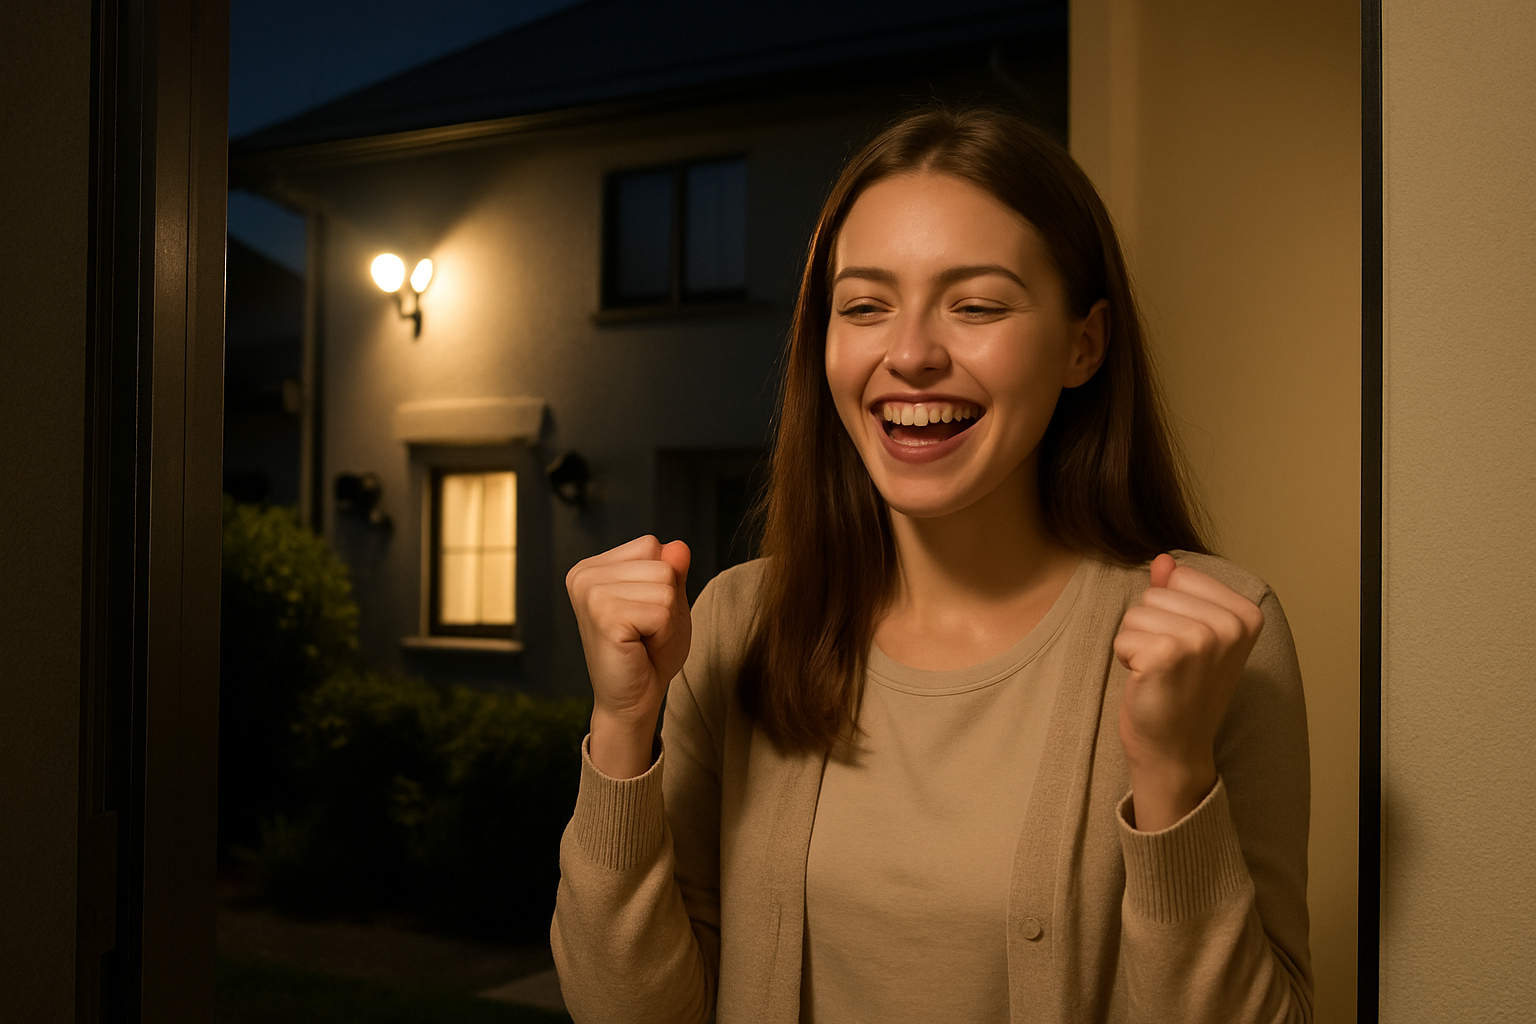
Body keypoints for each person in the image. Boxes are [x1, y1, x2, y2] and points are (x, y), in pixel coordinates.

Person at [553, 106, 1312, 1024]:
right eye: (865, 306)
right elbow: (625, 1013)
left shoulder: (1217, 637)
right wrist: (624, 727)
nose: (909, 354)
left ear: (1085, 344)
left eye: (978, 304)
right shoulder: (734, 626)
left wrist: (1174, 775)